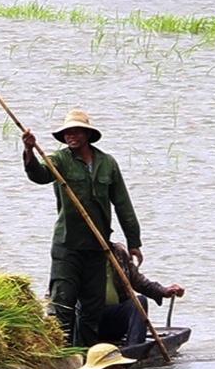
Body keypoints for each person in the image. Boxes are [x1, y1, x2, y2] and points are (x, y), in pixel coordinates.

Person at [22, 109, 143, 348]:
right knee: (62, 302)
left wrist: (134, 242)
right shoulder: (59, 160)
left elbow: (123, 204)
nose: (71, 136)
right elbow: (39, 175)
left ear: (87, 135)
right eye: (67, 132)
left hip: (98, 246)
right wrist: (29, 150)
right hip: (67, 245)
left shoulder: (107, 164)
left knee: (92, 307)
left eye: (77, 131)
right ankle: (62, 354)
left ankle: (87, 355)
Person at [96, 240, 185, 350]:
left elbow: (138, 281)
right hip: (90, 320)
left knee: (140, 301)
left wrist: (163, 291)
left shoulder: (117, 252)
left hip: (115, 318)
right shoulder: (79, 254)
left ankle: (133, 349)